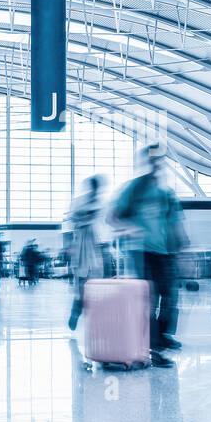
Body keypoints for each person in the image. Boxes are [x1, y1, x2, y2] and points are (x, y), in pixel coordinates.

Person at [112, 142, 188, 354]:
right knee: (149, 296)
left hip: (165, 252)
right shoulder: (134, 188)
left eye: (160, 159)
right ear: (145, 161)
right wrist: (130, 229)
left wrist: (183, 250)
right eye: (152, 159)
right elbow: (113, 217)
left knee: (170, 295)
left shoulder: (167, 194)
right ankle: (151, 338)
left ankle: (163, 335)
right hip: (141, 251)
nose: (156, 163)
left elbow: (176, 223)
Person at [66, 175, 107, 330]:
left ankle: (91, 312)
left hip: (96, 245)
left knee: (97, 282)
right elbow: (74, 222)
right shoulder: (80, 203)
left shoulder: (100, 203)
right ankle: (77, 309)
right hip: (83, 246)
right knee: (82, 282)